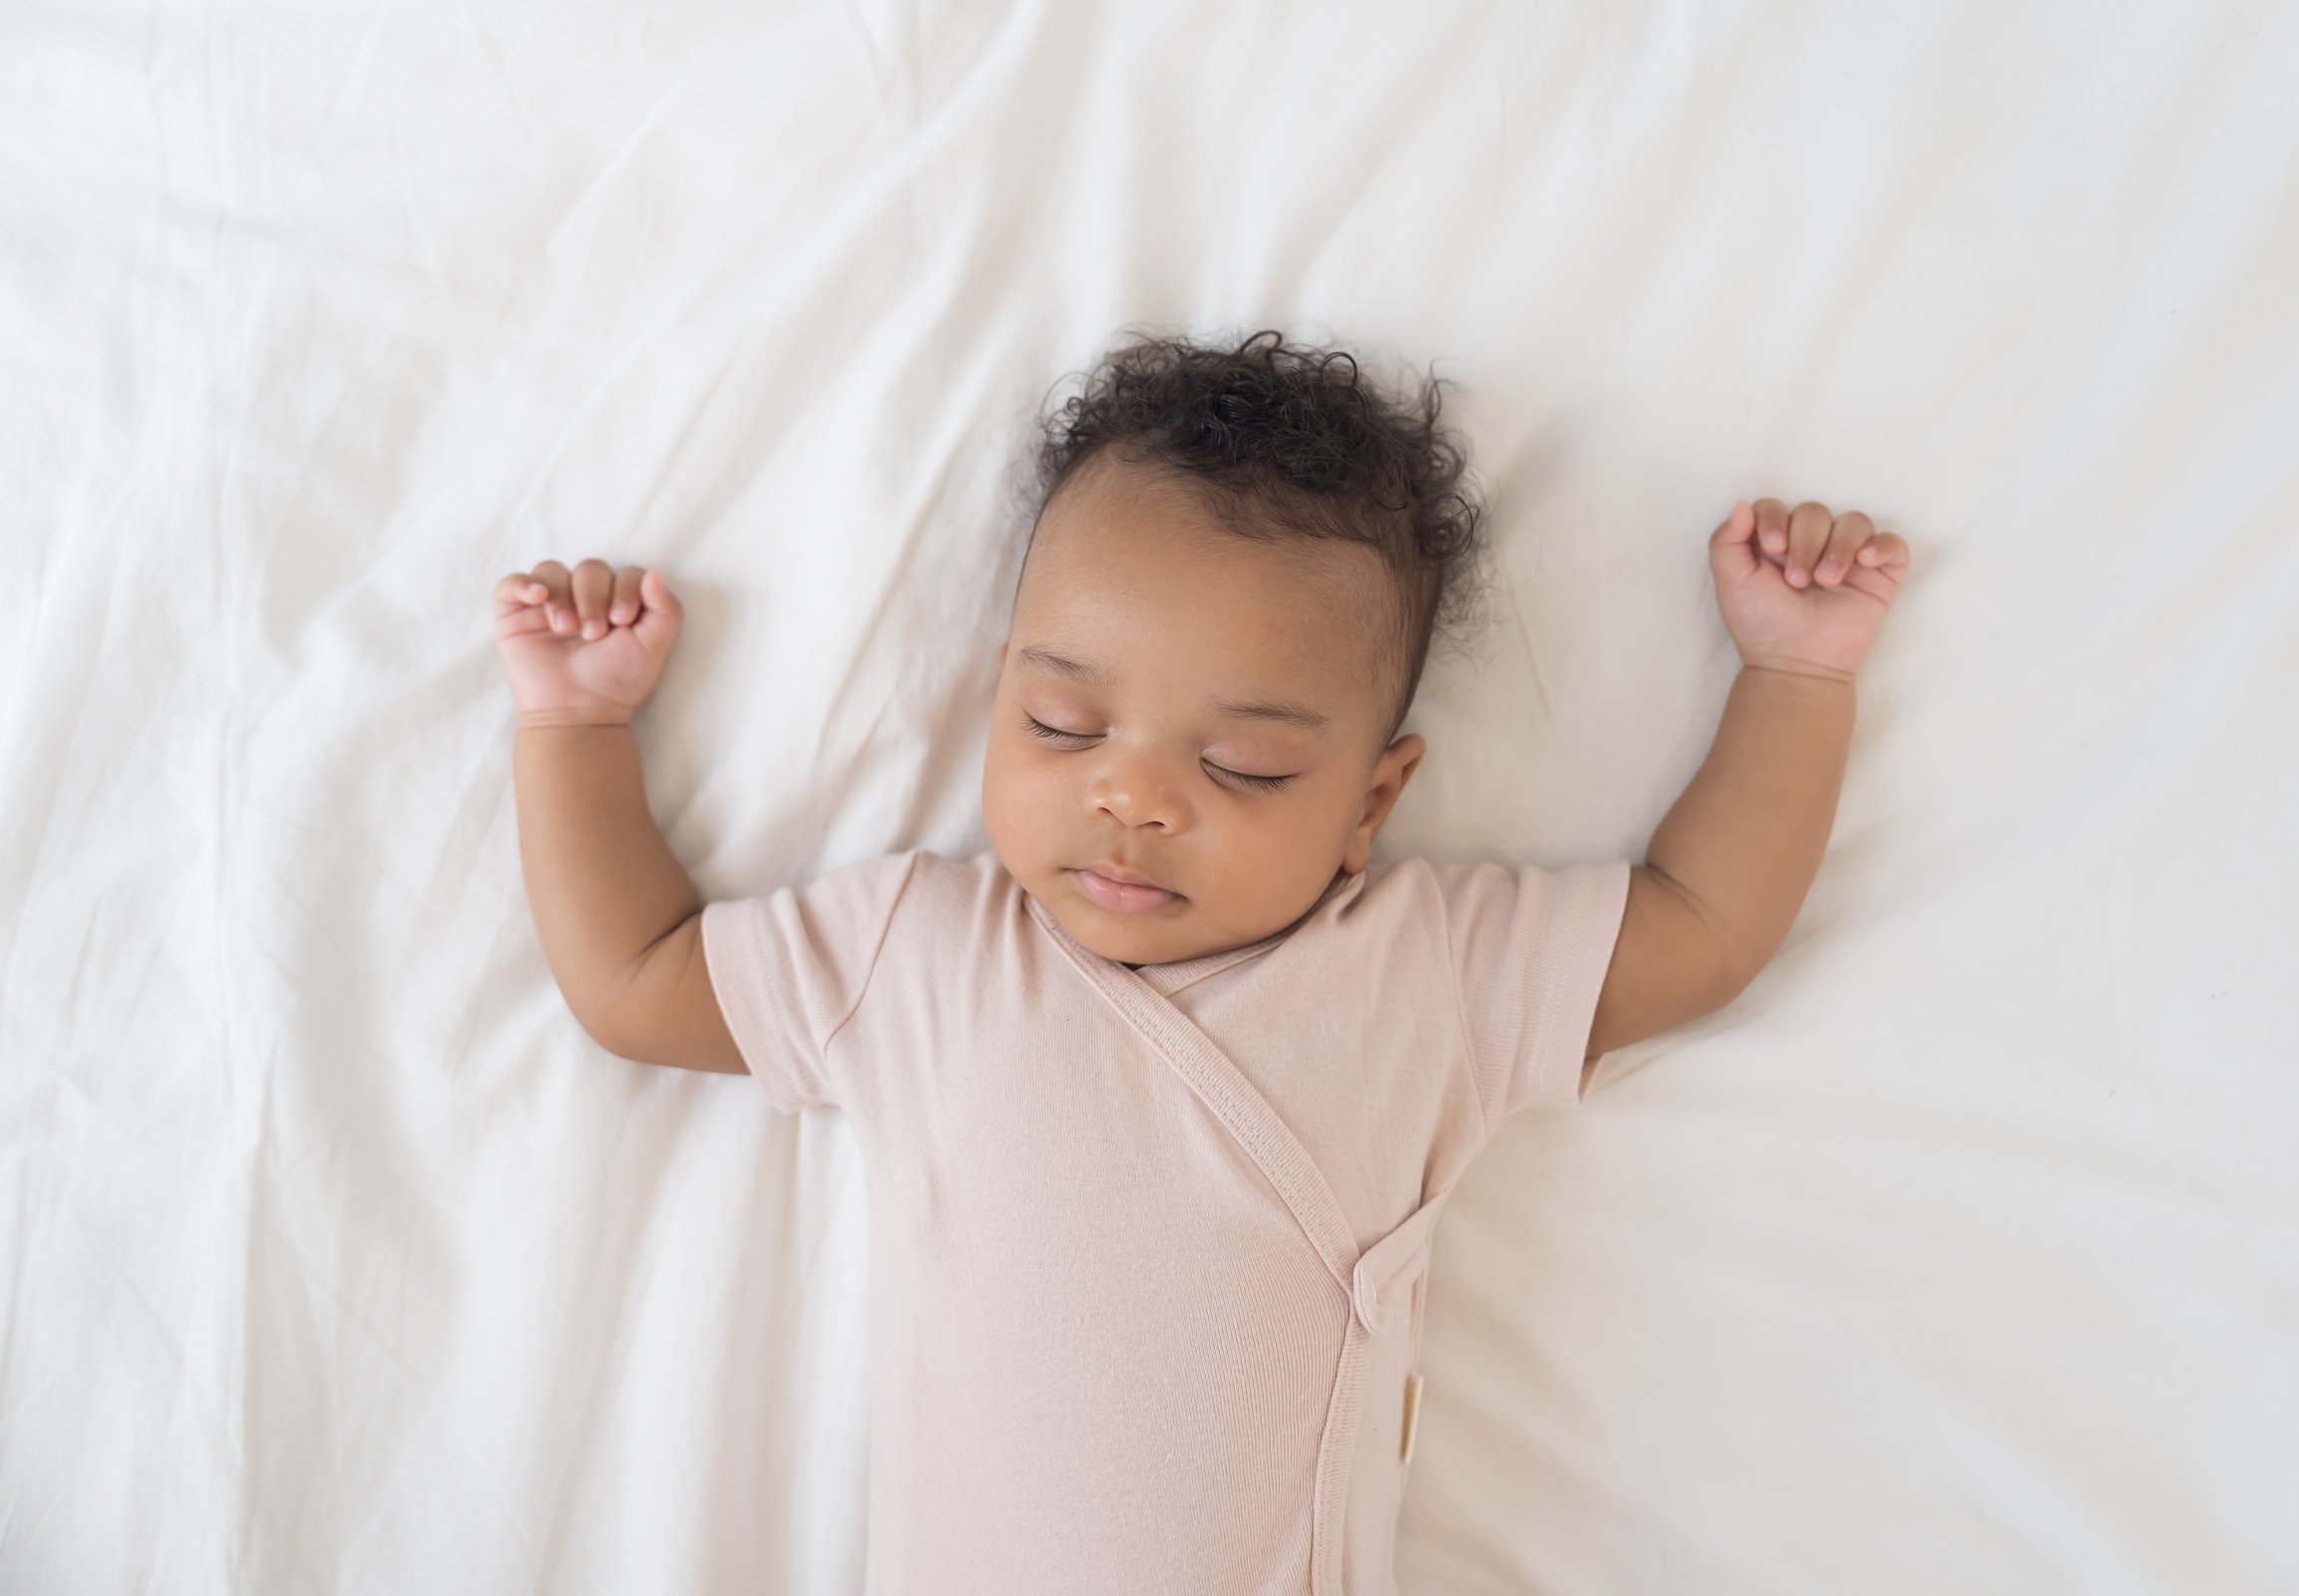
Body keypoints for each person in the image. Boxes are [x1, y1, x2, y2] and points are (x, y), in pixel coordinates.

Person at [492, 327, 1909, 1593]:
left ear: (1369, 802)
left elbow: (1698, 927)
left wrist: (1796, 679)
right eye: (1061, 724)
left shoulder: (1426, 977)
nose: (1135, 796)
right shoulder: (916, 952)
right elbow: (639, 978)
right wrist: (573, 732)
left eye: (1241, 765)